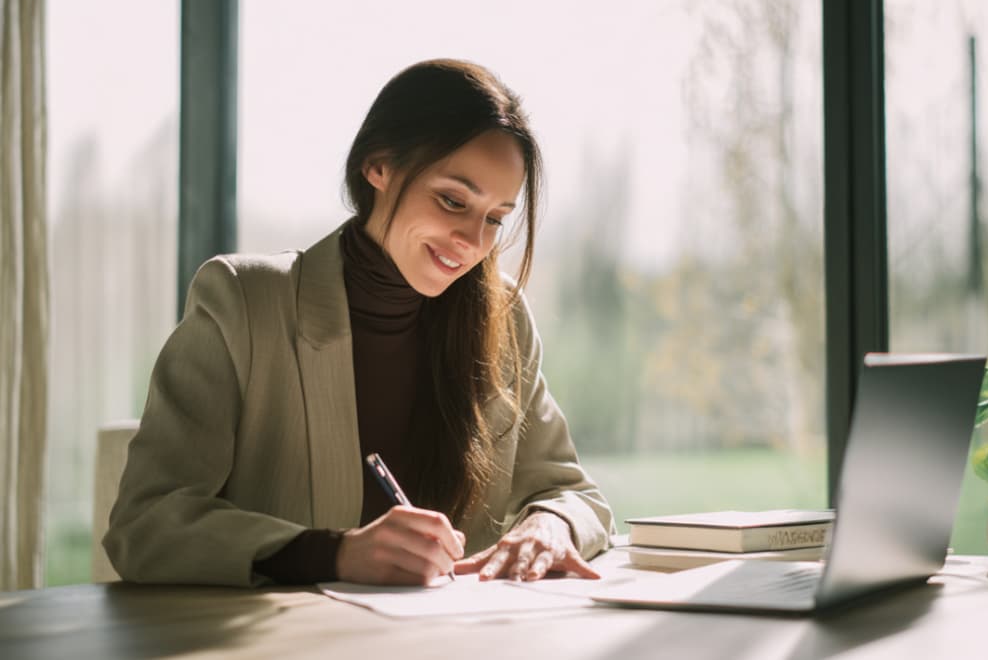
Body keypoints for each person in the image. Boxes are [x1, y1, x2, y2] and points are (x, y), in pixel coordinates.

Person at [104, 59, 615, 588]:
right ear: (379, 167)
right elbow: (146, 523)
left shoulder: (500, 317)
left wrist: (551, 526)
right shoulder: (242, 300)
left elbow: (571, 493)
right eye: (451, 200)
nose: (472, 241)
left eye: (494, 218)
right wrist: (334, 554)